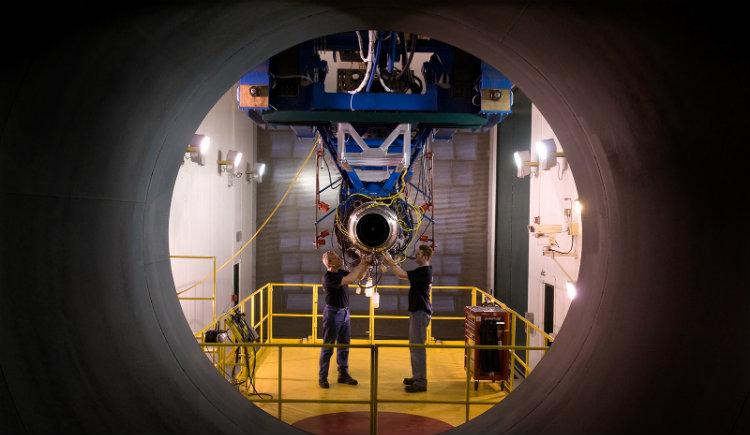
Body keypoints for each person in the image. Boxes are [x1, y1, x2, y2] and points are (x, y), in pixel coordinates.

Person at [384, 245, 433, 393]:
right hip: (417, 312)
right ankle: (417, 376)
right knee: (414, 345)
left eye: (418, 254)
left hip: (420, 313)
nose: (415, 256)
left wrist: (390, 260)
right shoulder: (423, 271)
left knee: (417, 347)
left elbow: (400, 274)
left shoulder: (424, 272)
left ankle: (421, 381)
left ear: (424, 256)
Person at [318, 250, 370, 389]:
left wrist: (365, 265)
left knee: (344, 345)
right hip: (333, 314)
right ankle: (323, 377)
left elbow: (358, 277)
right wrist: (363, 262)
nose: (340, 259)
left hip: (345, 312)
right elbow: (351, 279)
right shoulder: (329, 277)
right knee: (328, 347)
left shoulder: (340, 272)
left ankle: (343, 374)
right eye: (337, 258)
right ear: (330, 263)